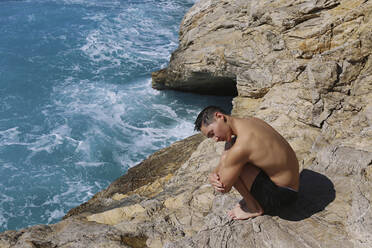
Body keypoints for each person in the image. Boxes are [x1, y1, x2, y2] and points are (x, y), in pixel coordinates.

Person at [194, 106, 299, 220]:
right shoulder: (253, 121)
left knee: (235, 165)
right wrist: (215, 170)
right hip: (293, 185)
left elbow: (224, 187)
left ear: (219, 116)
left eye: (212, 133)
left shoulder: (242, 146)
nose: (215, 139)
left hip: (281, 197)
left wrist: (225, 155)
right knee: (233, 157)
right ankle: (256, 196)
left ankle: (254, 208)